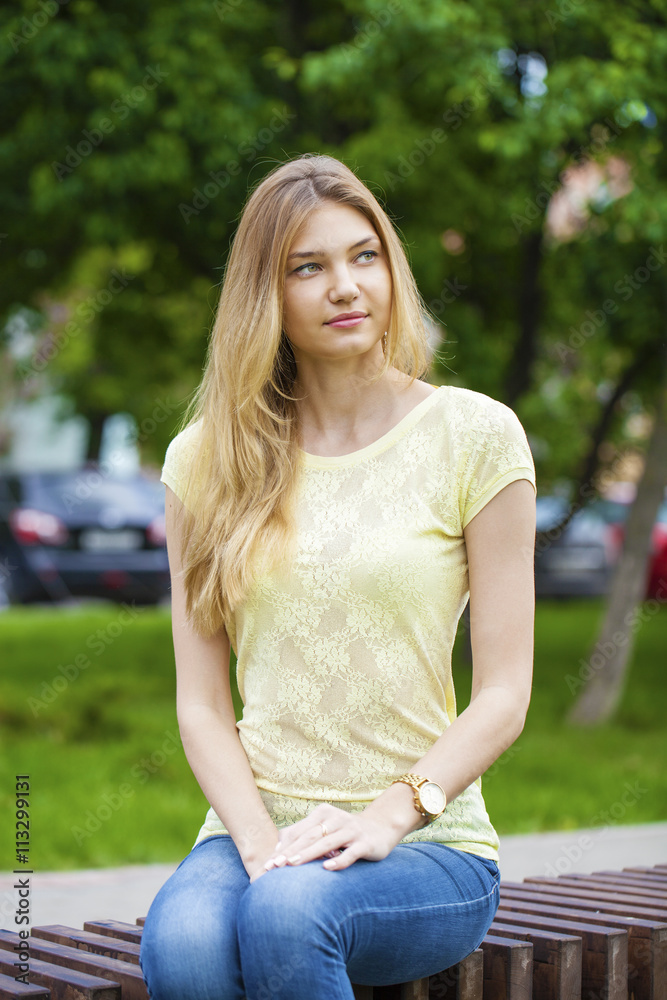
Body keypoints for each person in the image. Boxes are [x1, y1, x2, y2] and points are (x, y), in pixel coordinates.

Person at [139, 152, 536, 1000]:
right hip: (253, 830)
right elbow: (202, 705)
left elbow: (504, 695)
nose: (345, 286)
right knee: (184, 946)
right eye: (307, 268)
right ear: (264, 296)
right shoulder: (206, 460)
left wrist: (389, 815)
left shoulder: (473, 436)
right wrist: (258, 847)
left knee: (288, 913)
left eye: (364, 256)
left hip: (427, 846)